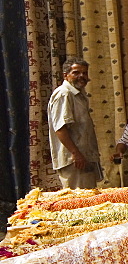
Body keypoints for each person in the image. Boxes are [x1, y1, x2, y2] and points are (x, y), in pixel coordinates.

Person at [48, 57, 103, 189]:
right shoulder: (64, 94)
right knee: (78, 202)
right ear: (65, 75)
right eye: (76, 73)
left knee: (88, 200)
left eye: (84, 73)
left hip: (84, 157)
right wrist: (76, 154)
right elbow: (60, 129)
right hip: (74, 160)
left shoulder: (79, 94)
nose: (82, 76)